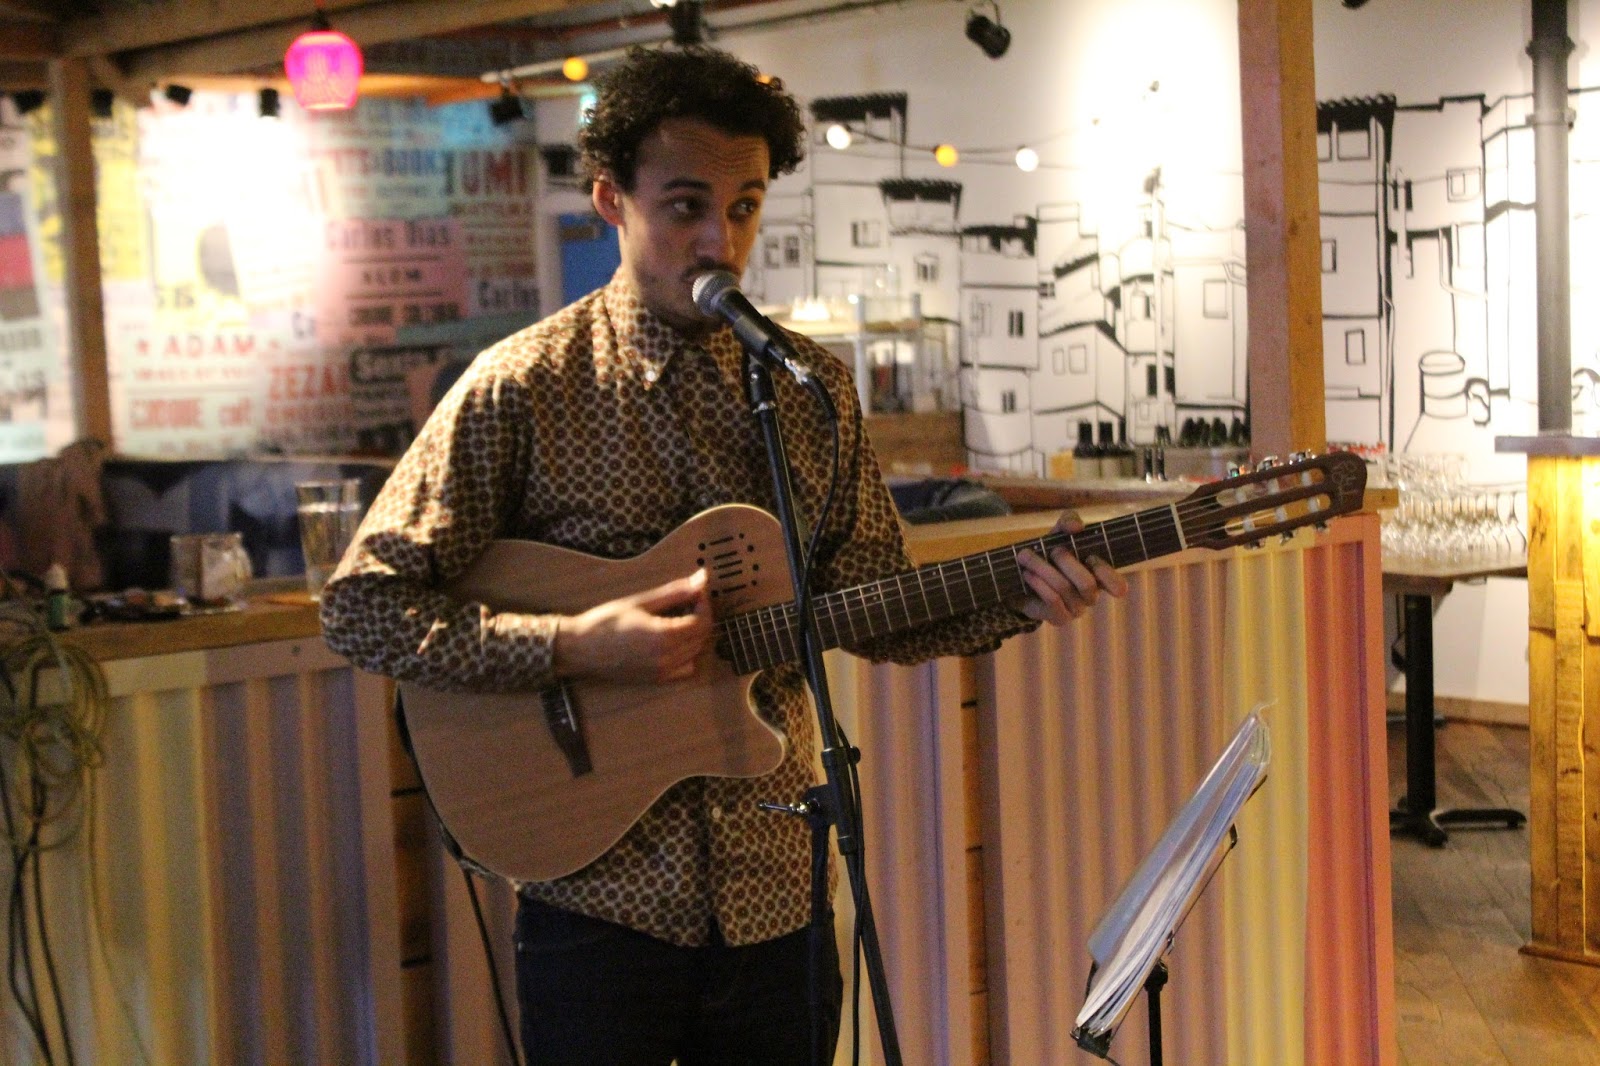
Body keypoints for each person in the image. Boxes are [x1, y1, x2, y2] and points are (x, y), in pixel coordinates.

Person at [319, 44, 1126, 1066]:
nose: (720, 240)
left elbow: (873, 603)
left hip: (776, 893)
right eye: (686, 207)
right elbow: (361, 606)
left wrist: (1022, 589)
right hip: (597, 903)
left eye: (744, 207)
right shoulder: (520, 389)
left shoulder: (808, 390)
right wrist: (572, 644)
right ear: (612, 200)